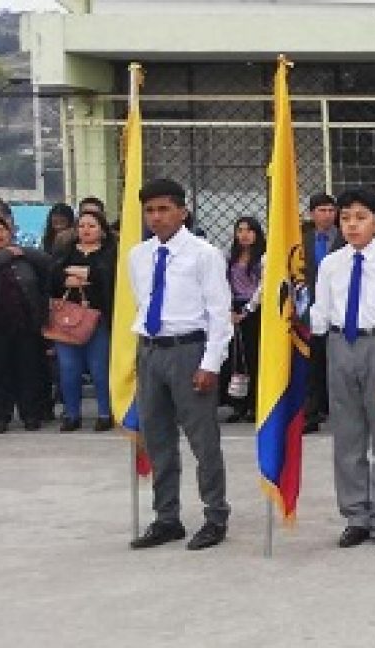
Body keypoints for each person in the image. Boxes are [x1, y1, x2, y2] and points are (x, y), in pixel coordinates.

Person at [126, 179, 234, 551]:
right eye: (150, 211)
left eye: (163, 209)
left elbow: (219, 314)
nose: (156, 217)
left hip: (189, 351)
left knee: (204, 441)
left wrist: (210, 363)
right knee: (157, 439)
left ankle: (215, 515)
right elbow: (143, 301)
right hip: (151, 350)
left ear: (182, 211)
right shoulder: (138, 255)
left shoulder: (205, 254)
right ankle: (166, 517)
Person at [311, 190, 375, 548]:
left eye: (361, 217)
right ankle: (355, 514)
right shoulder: (331, 264)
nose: (351, 224)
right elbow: (321, 316)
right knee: (347, 437)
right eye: (346, 217)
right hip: (340, 346)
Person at [52, 208, 116, 431]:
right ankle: (71, 414)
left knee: (100, 369)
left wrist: (82, 273)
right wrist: (70, 277)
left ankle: (105, 413)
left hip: (97, 320)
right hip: (67, 320)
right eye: (82, 226)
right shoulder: (65, 251)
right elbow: (53, 278)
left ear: (102, 230)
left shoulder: (111, 253)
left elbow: (106, 278)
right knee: (68, 369)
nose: (86, 230)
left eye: (91, 225)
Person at [0, 216, 55, 433]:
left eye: (2, 229)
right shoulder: (4, 257)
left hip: (26, 324)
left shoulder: (23, 257)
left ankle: (31, 414)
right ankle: (0, 416)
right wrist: (5, 255)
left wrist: (20, 251)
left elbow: (49, 263)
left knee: (28, 371)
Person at [300, 193, 339, 433]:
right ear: (312, 213)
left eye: (330, 210)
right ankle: (311, 413)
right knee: (312, 364)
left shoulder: (345, 239)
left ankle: (337, 411)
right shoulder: (302, 240)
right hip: (311, 310)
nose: (326, 215)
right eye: (321, 210)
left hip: (340, 310)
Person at [220, 216, 265, 424]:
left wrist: (248, 309)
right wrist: (230, 309)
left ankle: (256, 404)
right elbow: (224, 284)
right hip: (234, 309)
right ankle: (239, 403)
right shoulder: (230, 257)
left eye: (249, 230)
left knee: (254, 357)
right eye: (240, 230)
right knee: (237, 359)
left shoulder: (263, 258)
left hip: (255, 310)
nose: (244, 235)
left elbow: (262, 288)